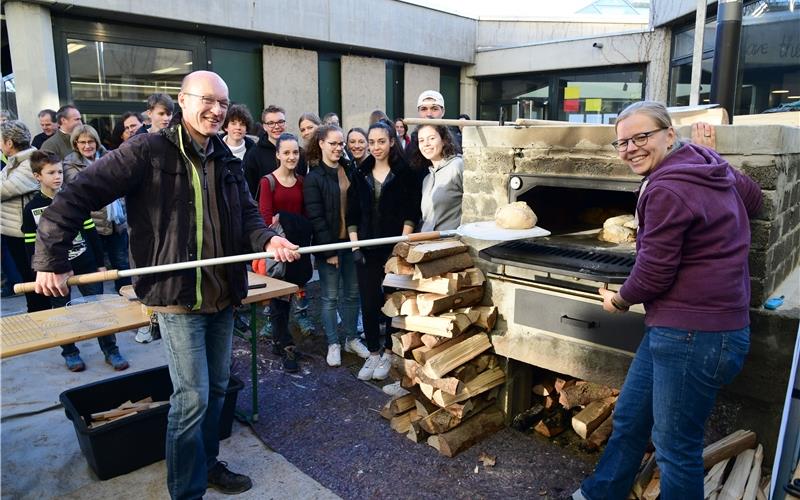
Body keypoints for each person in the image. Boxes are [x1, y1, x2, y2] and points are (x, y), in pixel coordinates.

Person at [31, 70, 300, 499]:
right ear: (182, 100)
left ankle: (207, 464)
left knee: (214, 391)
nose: (216, 110)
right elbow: (79, 192)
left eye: (223, 102)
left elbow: (248, 214)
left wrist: (269, 238)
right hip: (177, 298)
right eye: (207, 100)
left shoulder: (226, 157)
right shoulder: (147, 150)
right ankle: (186, 491)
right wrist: (52, 257)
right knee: (190, 398)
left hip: (223, 293)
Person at [573, 101, 762, 500]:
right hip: (685, 330)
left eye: (642, 137)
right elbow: (754, 199)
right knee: (631, 417)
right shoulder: (702, 162)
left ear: (669, 135)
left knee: (676, 448)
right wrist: (716, 158)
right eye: (622, 142)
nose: (630, 149)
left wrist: (620, 300)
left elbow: (654, 272)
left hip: (695, 334)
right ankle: (601, 492)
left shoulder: (664, 187)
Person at [23, 151, 129, 372]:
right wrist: (38, 272)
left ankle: (111, 350)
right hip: (56, 272)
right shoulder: (31, 209)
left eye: (60, 171)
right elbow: (30, 245)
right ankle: (70, 353)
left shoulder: (74, 201)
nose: (57, 176)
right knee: (62, 314)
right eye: (50, 172)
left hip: (86, 265)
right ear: (37, 176)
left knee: (99, 309)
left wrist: (100, 263)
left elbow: (91, 234)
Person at [347, 121, 420, 380]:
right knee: (369, 302)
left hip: (393, 250)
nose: (375, 147)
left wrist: (400, 248)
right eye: (372, 142)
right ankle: (374, 352)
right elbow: (352, 214)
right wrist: (355, 246)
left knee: (391, 301)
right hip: (365, 248)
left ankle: (389, 351)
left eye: (381, 141)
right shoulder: (360, 173)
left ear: (391, 141)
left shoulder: (406, 173)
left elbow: (412, 214)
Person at [303, 125, 370, 366]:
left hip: (351, 243)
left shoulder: (349, 169)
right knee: (330, 297)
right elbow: (316, 217)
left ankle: (351, 338)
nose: (338, 148)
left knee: (353, 294)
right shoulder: (314, 177)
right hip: (329, 246)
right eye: (333, 143)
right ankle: (333, 342)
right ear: (321, 143)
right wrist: (329, 251)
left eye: (341, 144)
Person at [255, 133, 313, 372]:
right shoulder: (267, 182)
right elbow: (265, 219)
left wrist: (287, 219)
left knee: (291, 296)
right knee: (279, 300)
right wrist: (285, 226)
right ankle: (285, 344)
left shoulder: (302, 182)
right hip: (277, 251)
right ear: (277, 154)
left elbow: (307, 217)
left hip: (297, 250)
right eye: (286, 152)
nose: (291, 157)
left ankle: (280, 342)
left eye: (295, 152)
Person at [62, 124, 131, 293]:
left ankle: (128, 300)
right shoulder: (69, 163)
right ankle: (99, 303)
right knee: (95, 270)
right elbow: (83, 188)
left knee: (122, 265)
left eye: (91, 141)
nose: (87, 146)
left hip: (117, 222)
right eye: (82, 142)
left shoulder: (110, 156)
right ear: (75, 144)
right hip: (92, 225)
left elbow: (124, 182)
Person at [0, 120, 48, 312]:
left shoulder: (30, 163)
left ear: (10, 142)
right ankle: (35, 311)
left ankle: (40, 314)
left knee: (33, 278)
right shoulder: (13, 163)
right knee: (27, 277)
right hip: (13, 232)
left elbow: (4, 188)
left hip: (26, 234)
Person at [243, 105, 308, 197]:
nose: (276, 126)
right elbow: (250, 190)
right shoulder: (254, 154)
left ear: (285, 124)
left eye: (280, 122)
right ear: (264, 126)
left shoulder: (298, 152)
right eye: (271, 123)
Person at [413, 124, 464, 231]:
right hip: (427, 243)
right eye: (421, 140)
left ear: (444, 140)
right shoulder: (427, 179)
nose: (426, 144)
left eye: (431, 138)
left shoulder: (457, 166)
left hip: (451, 243)